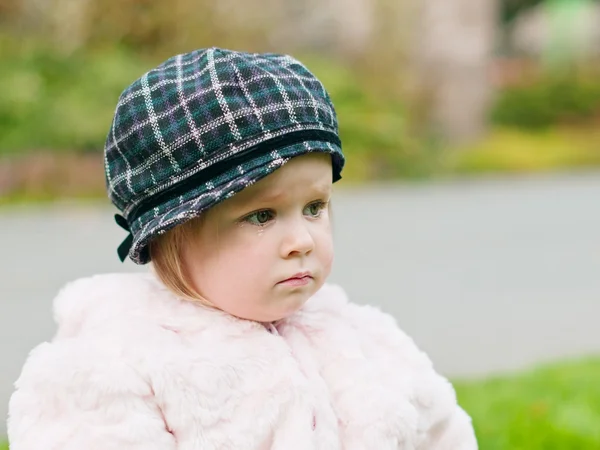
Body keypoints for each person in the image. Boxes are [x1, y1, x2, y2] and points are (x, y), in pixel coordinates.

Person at [7, 47, 477, 449]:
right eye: (262, 216)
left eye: (314, 206)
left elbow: (443, 435)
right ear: (171, 231)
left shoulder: (364, 340)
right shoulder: (111, 367)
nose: (301, 241)